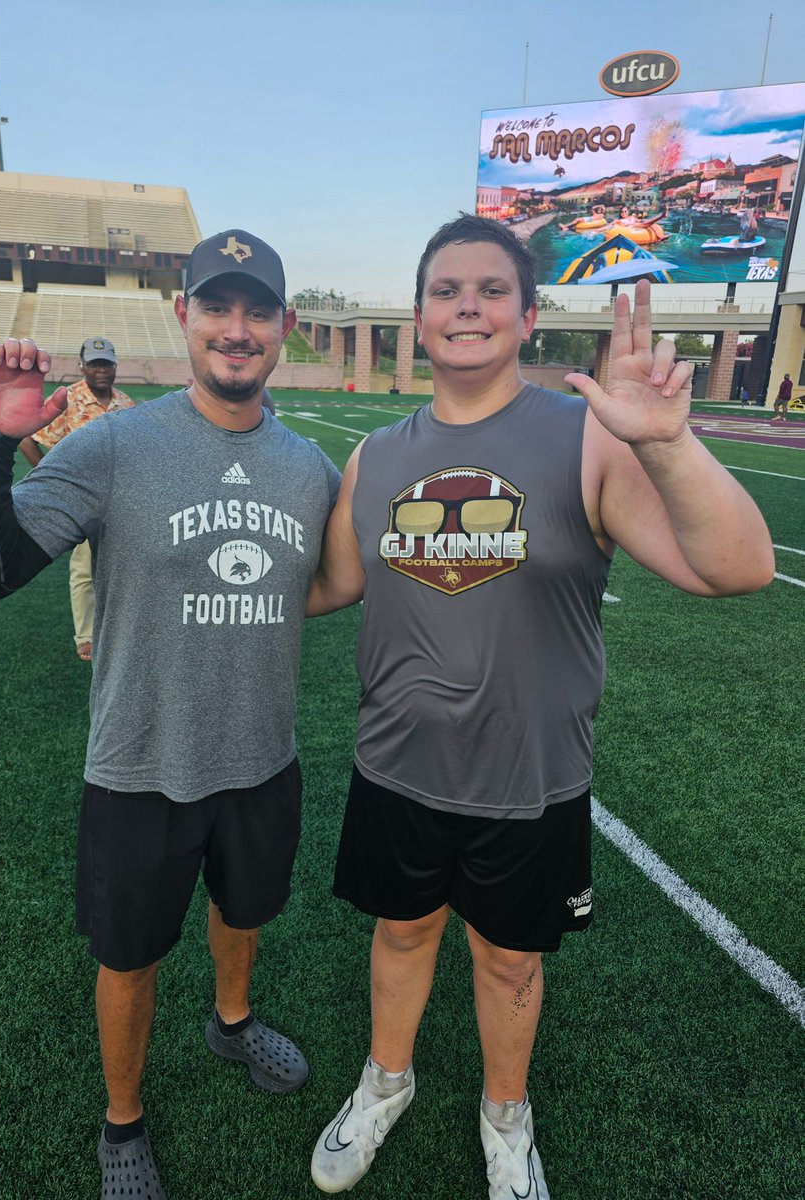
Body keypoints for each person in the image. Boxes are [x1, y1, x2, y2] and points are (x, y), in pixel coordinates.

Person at [306, 214, 774, 1200]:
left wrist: (671, 444)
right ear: (423, 320)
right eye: (445, 289)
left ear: (526, 316)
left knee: (511, 963)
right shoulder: (377, 457)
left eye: (488, 289)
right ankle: (385, 1082)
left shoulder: (589, 440)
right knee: (398, 933)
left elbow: (740, 568)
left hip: (530, 776)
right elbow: (322, 587)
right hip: (397, 766)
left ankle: (504, 1116)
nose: (465, 304)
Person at [0, 230, 341, 1199]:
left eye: (257, 311)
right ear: (185, 318)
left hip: (260, 757)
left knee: (244, 913)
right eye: (218, 307)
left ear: (285, 328)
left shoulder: (309, 468)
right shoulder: (117, 444)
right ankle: (123, 1121)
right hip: (138, 763)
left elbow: (333, 588)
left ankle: (232, 1022)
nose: (236, 330)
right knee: (129, 955)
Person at [18, 337, 133, 661]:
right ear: (82, 366)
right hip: (84, 500)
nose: (101, 370)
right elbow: (29, 439)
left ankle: (120, 627)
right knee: (84, 569)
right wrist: (50, 477)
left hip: (123, 499)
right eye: (95, 363)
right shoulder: (67, 400)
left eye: (107, 363)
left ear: (114, 367)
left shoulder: (125, 403)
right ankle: (86, 635)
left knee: (122, 567)